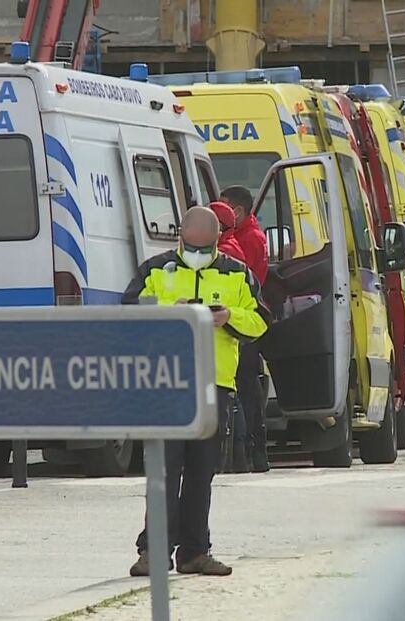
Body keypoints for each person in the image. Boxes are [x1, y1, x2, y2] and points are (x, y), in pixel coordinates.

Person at [122, 206, 269, 577]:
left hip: (213, 384)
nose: (199, 255)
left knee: (202, 471)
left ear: (218, 242)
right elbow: (129, 313)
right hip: (166, 382)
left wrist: (229, 318)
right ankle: (153, 551)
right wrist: (173, 310)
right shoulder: (156, 270)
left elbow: (262, 321)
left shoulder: (237, 274)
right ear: (180, 238)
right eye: (192, 247)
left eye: (206, 249)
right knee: (163, 470)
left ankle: (194, 552)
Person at [220, 186, 271, 471]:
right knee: (244, 389)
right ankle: (249, 453)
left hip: (242, 323)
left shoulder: (247, 239)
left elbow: (243, 283)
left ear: (236, 211)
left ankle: (253, 452)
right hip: (239, 321)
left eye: (223, 208)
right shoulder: (244, 236)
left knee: (245, 390)